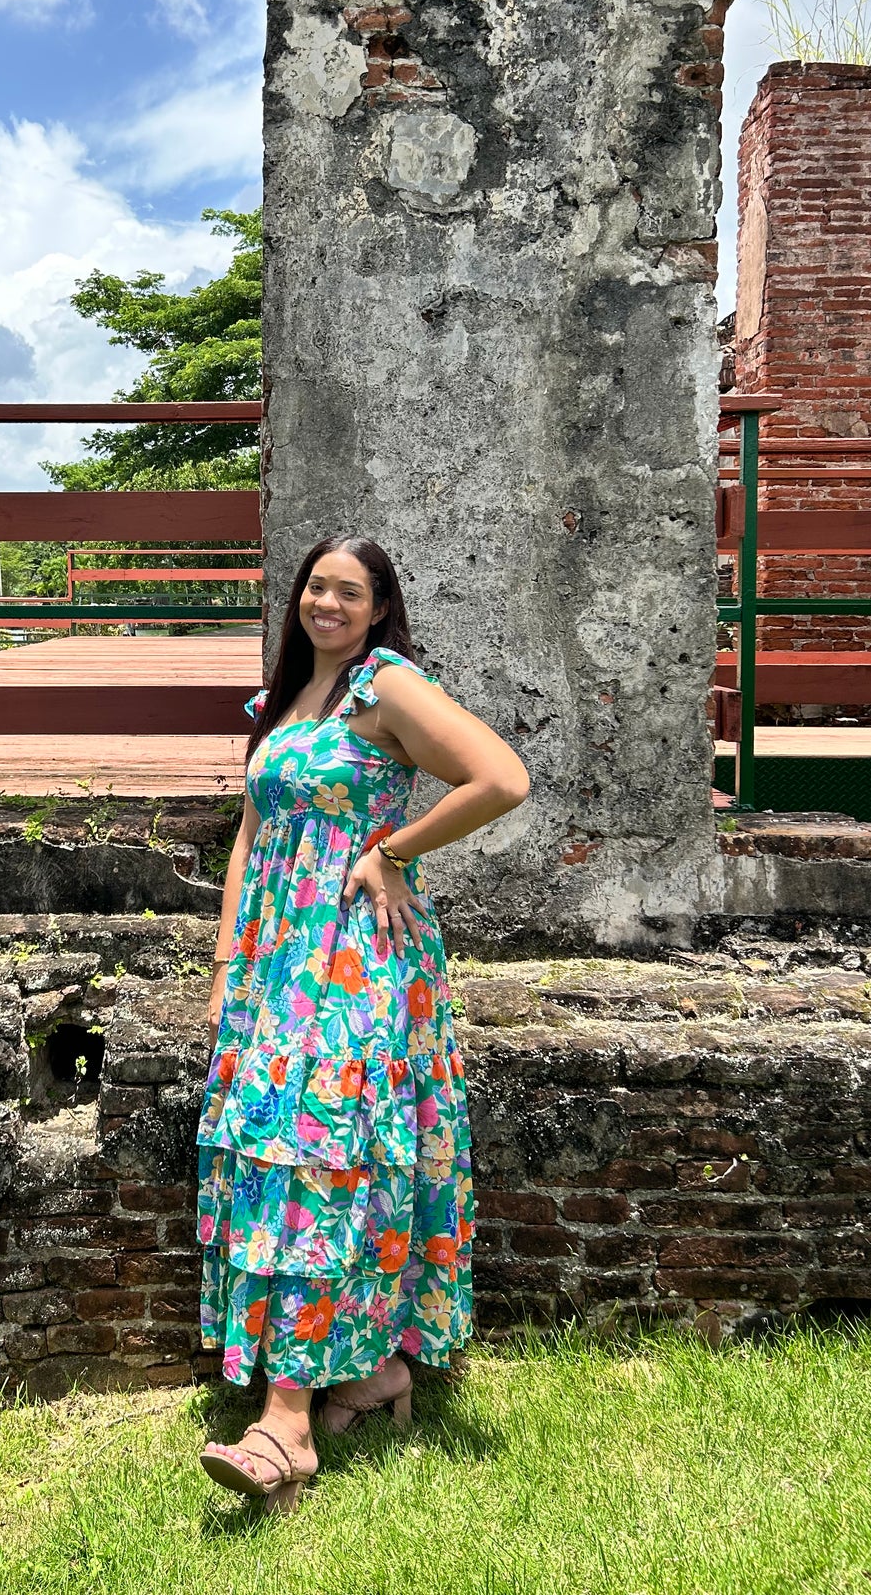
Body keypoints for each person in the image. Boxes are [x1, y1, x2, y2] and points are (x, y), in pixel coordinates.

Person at [196, 536, 531, 1513]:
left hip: (354, 958)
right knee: (269, 1158)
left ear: (379, 607)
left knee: (319, 1160)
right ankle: (372, 1371)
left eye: (348, 590)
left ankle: (283, 1426)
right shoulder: (283, 702)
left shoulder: (383, 687)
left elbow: (498, 777)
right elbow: (249, 836)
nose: (325, 603)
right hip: (272, 964)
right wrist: (223, 965)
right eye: (314, 586)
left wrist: (389, 851)